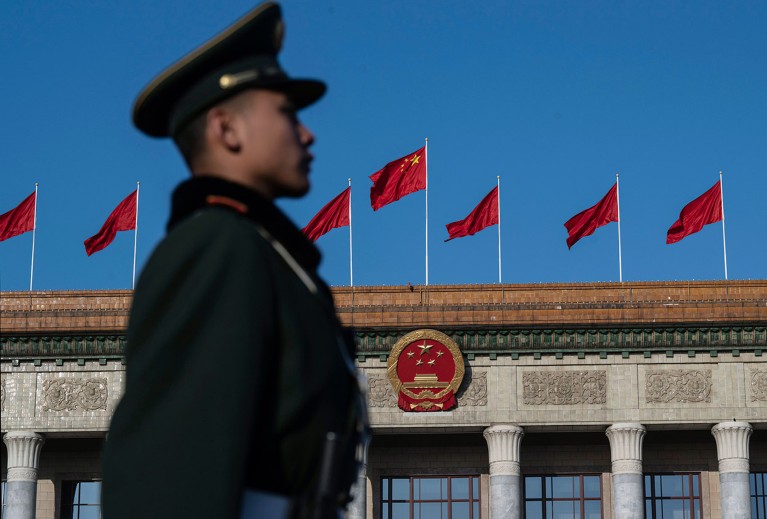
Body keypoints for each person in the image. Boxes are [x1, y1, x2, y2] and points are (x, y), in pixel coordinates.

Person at [101, 3, 368, 518]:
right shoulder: (215, 249)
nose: (308, 134)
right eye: (288, 113)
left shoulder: (268, 257)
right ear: (227, 129)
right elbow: (167, 478)